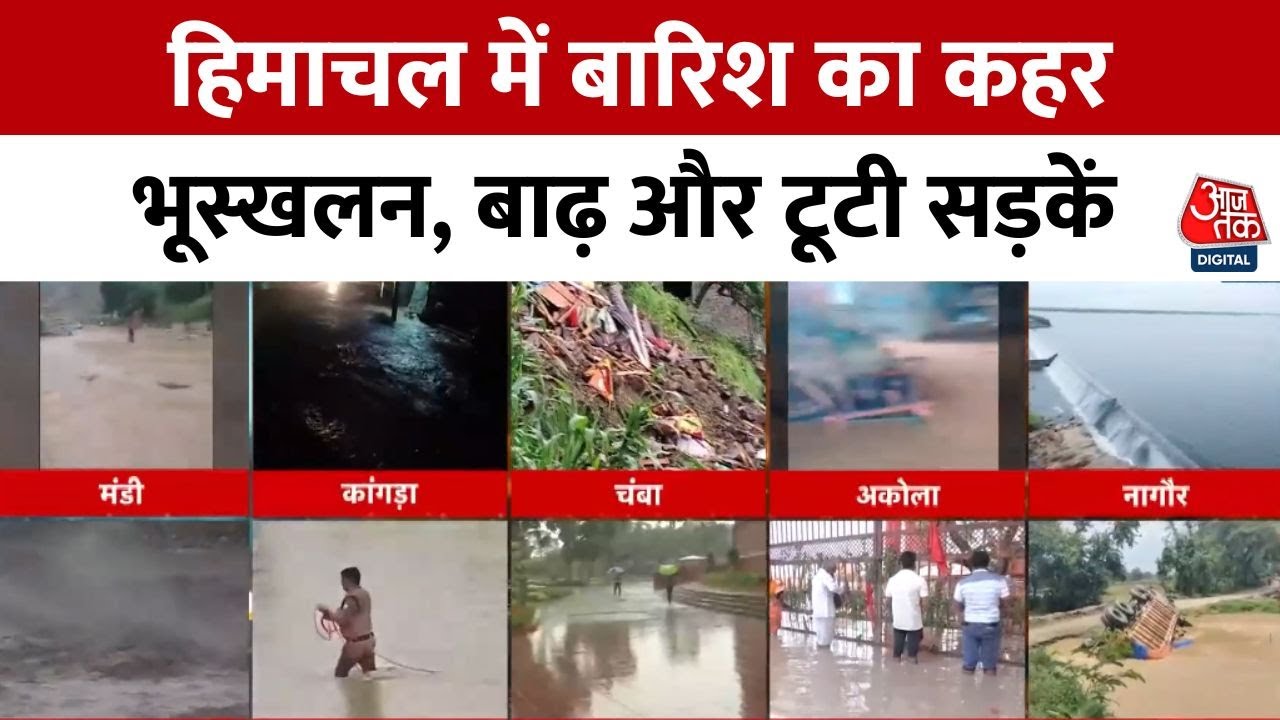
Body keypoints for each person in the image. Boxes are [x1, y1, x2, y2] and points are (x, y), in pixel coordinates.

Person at [953, 550, 1010, 675]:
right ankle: (989, 688)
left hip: (970, 625)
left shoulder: (962, 583)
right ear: (988, 563)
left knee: (968, 665)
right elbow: (1006, 603)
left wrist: (960, 618)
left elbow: (956, 605)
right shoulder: (999, 581)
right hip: (991, 624)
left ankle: (965, 690)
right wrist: (1002, 615)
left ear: (972, 563)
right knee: (990, 667)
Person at [317, 566, 376, 678]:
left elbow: (345, 618)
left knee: (340, 674)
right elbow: (356, 615)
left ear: (348, 580)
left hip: (355, 645)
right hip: (369, 641)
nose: (342, 583)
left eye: (342, 580)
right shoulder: (365, 594)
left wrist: (328, 614)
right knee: (370, 676)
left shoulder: (351, 597)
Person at [885, 550, 928, 663]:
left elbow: (888, 601)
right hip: (914, 622)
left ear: (901, 563)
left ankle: (895, 675)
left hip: (898, 620)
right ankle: (911, 676)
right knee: (912, 657)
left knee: (896, 656)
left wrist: (892, 614)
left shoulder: (892, 580)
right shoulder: (920, 580)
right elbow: (925, 603)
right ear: (914, 563)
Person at [811, 559, 839, 648]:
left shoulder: (816, 576)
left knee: (820, 639)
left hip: (818, 612)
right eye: (833, 571)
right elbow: (833, 588)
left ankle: (821, 658)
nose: (833, 574)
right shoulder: (825, 576)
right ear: (830, 569)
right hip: (826, 613)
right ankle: (825, 659)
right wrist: (842, 588)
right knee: (826, 640)